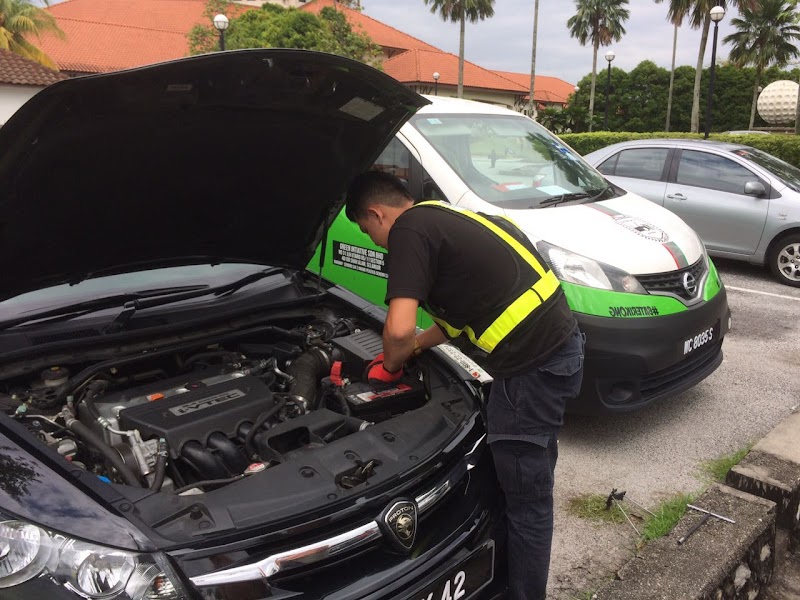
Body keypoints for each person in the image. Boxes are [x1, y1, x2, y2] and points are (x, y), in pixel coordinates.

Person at [345, 170, 584, 600]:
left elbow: (396, 330)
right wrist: (418, 346)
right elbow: (462, 312)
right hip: (560, 354)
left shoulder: (408, 231)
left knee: (528, 505)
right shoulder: (449, 218)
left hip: (530, 374)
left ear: (376, 213)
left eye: (368, 231)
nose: (376, 242)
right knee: (527, 481)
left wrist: (394, 365)